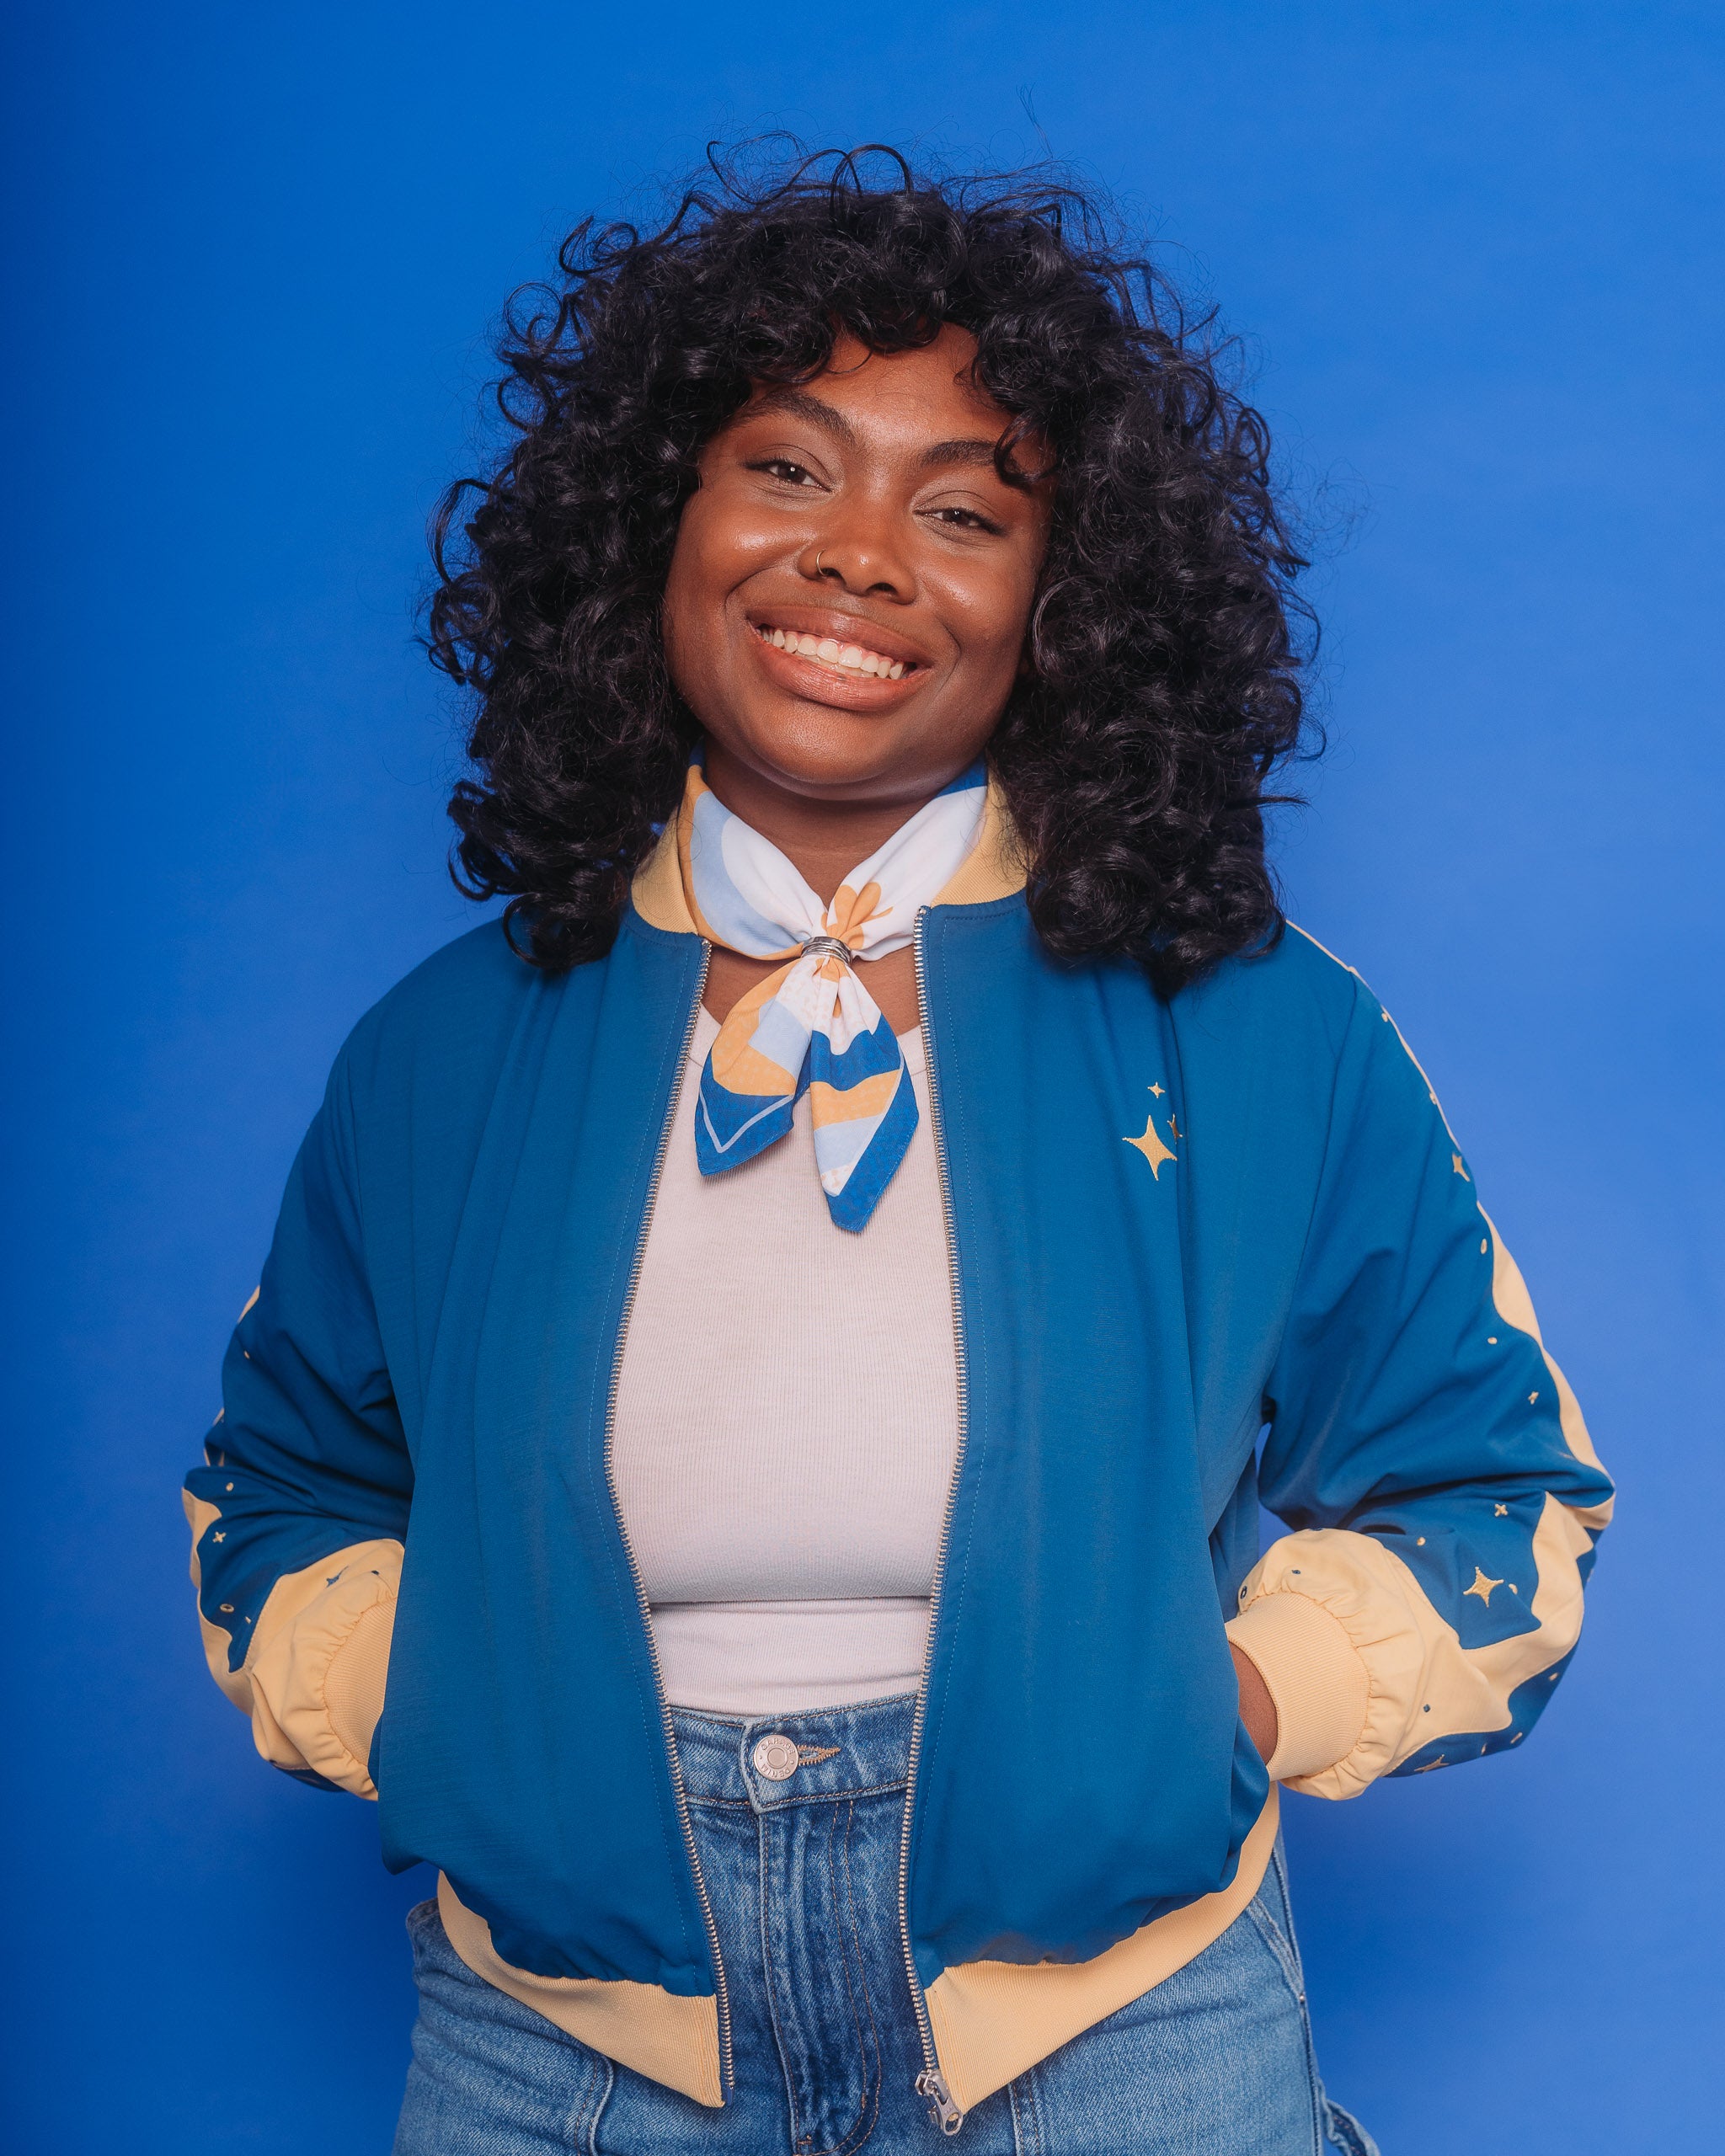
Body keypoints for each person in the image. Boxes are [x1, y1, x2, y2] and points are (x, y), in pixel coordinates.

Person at [181, 149, 1614, 2156]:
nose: (860, 558)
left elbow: (1502, 1492)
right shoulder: (439, 1052)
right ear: (648, 524)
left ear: (1065, 601)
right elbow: (276, 1490)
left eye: (963, 511)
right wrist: (449, 1713)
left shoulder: (1258, 1023)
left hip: (1121, 2029)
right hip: (560, 2038)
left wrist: (1227, 1713)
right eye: (786, 470)